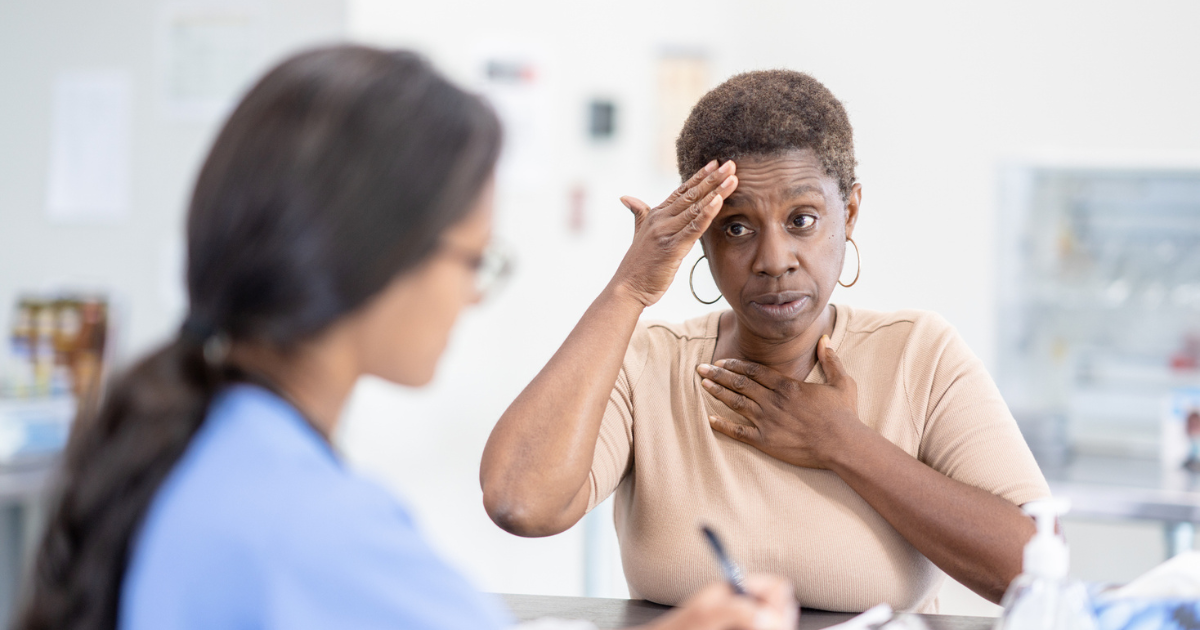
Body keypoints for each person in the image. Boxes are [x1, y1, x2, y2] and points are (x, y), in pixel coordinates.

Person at [14, 46, 796, 630]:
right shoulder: (310, 528)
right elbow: (513, 502)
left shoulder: (203, 447)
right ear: (377, 255)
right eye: (472, 259)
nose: (473, 295)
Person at [480, 70, 1052, 613]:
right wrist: (628, 290)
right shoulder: (648, 365)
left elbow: (1034, 570)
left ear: (849, 213)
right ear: (701, 234)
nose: (774, 260)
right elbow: (519, 502)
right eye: (737, 227)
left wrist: (843, 443)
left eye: (802, 219)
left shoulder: (919, 355)